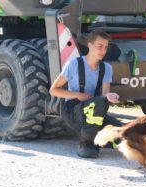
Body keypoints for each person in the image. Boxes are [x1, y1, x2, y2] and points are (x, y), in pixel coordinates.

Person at [49, 29, 120, 158]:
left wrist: (109, 96)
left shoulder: (107, 68)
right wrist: (77, 95)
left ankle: (100, 141)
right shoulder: (73, 64)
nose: (103, 51)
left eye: (105, 47)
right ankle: (86, 142)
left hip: (94, 109)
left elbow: (104, 96)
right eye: (99, 46)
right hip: (72, 111)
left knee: (123, 131)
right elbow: (53, 90)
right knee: (99, 103)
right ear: (90, 45)